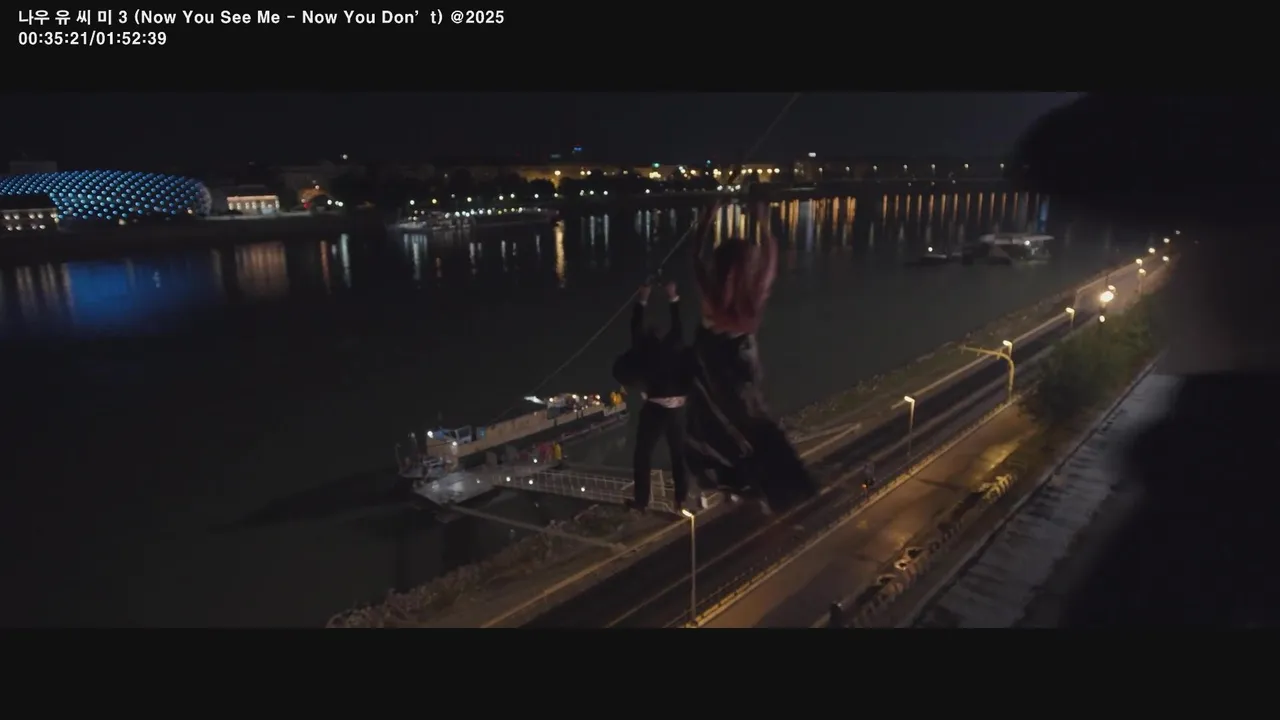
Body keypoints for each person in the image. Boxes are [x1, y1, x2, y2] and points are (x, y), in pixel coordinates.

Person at [684, 203, 817, 513]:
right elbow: (771, 257)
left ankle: (763, 487)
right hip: (741, 359)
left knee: (726, 427)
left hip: (717, 365)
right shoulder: (752, 297)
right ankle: (788, 486)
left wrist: (705, 220)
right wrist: (762, 222)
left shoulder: (714, 295)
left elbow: (695, 257)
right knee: (756, 424)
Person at [614, 280, 693, 513]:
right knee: (679, 454)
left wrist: (642, 298)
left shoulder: (645, 350)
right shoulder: (675, 345)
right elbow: (678, 326)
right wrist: (672, 296)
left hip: (656, 408)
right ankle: (681, 499)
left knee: (643, 454)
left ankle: (641, 501)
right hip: (678, 408)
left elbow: (635, 328)